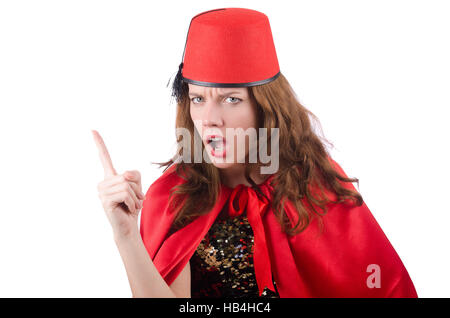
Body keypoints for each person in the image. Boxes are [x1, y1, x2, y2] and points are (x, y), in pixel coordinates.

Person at [93, 7, 418, 298]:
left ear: (265, 108)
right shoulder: (176, 195)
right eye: (198, 99)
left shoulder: (317, 187)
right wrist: (125, 236)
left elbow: (384, 288)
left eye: (231, 99)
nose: (210, 120)